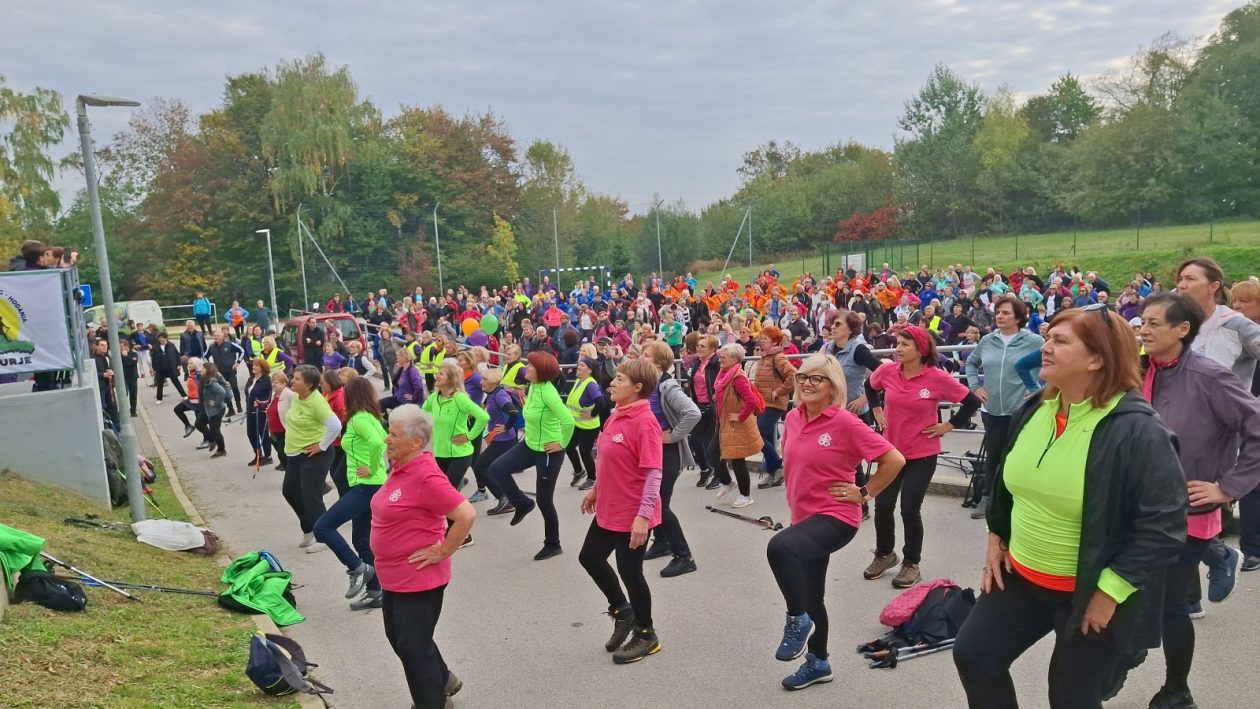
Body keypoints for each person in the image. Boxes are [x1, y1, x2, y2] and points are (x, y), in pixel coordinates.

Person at [952, 305, 1187, 709]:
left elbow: (1163, 526)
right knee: (975, 656)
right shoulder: (1035, 408)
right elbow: (1005, 483)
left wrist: (1109, 594)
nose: (1045, 347)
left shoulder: (1139, 429)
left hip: (1090, 591)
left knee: (1070, 697)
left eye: (1060, 341)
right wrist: (996, 535)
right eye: (1047, 337)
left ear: (1097, 359)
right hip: (1021, 577)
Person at [1133, 293, 1260, 708]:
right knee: (1130, 591)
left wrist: (1228, 487)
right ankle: (1125, 658)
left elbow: (1257, 427)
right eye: (1142, 322)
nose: (1144, 330)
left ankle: (1177, 690)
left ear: (1182, 329)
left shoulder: (1210, 376)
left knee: (1171, 601)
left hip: (1188, 513)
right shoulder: (1137, 370)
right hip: (1137, 508)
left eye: (1154, 323)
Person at [768, 354, 906, 690]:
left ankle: (797, 620)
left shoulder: (845, 422)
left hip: (837, 516)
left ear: (833, 386)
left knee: (780, 548)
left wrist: (865, 492)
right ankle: (819, 662)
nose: (807, 383)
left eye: (817, 378)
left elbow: (894, 459)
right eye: (803, 377)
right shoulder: (793, 417)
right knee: (812, 595)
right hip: (805, 519)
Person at [371, 405, 475, 708]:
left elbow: (466, 515)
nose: (387, 439)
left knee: (413, 646)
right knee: (400, 638)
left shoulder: (426, 475)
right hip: (393, 575)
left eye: (394, 435)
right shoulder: (401, 466)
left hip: (418, 578)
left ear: (416, 442)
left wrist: (443, 550)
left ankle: (433, 702)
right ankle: (442, 679)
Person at [866, 326, 981, 588]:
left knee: (909, 509)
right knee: (882, 506)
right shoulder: (887, 370)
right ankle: (884, 554)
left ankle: (911, 563)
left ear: (921, 350)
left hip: (922, 454)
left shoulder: (937, 377)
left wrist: (948, 426)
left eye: (904, 344)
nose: (897, 348)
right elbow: (870, 386)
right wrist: (876, 409)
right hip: (891, 453)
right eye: (897, 343)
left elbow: (972, 402)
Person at [1175, 257, 1260, 603]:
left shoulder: (1235, 325)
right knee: (1174, 503)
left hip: (1220, 432)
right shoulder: (1179, 322)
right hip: (1179, 423)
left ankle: (1217, 559)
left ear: (1213, 286)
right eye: (1180, 279)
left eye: (1190, 279)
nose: (1181, 285)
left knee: (1188, 502)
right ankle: (1190, 592)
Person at [578, 359, 665, 664]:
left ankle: (646, 634)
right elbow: (607, 459)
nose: (612, 383)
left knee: (630, 572)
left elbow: (654, 473)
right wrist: (596, 488)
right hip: (609, 505)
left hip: (633, 511)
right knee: (590, 557)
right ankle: (623, 611)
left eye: (620, 379)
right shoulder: (616, 414)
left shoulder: (645, 422)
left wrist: (643, 517)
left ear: (638, 388)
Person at [488, 351, 575, 561]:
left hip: (548, 451)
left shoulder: (548, 392)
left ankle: (553, 544)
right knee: (497, 468)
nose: (527, 367)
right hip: (529, 444)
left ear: (541, 371)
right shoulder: (533, 386)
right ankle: (522, 503)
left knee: (545, 501)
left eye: (531, 366)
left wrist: (562, 443)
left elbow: (568, 421)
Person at [964, 295, 1045, 518]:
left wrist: (1039, 389)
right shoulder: (988, 340)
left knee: (1020, 457)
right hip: (992, 410)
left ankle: (1018, 501)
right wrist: (974, 386)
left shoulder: (1034, 341)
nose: (999, 316)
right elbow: (971, 363)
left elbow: (1054, 363)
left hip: (1022, 410)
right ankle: (988, 500)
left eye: (1006, 313)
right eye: (998, 312)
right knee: (994, 457)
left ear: (1018, 317)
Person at [313, 377, 389, 611]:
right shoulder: (371, 416)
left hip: (366, 485)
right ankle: (376, 591)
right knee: (361, 539)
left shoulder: (358, 419)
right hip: (370, 484)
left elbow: (378, 443)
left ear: (351, 396)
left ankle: (357, 568)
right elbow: (383, 439)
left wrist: (372, 467)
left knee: (322, 527)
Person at [639, 341, 701, 577]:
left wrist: (673, 436)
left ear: (659, 363)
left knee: (659, 504)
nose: (641, 358)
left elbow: (693, 413)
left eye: (646, 355)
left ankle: (684, 557)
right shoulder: (649, 384)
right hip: (653, 451)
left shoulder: (667, 385)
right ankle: (662, 541)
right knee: (656, 500)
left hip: (667, 453)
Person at [422, 360, 490, 547]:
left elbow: (483, 416)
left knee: (446, 494)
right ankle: (454, 531)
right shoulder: (434, 398)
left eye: (441, 374)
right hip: (440, 453)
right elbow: (421, 414)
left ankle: (462, 535)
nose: (437, 376)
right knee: (441, 493)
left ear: (451, 378)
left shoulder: (460, 398)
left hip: (460, 454)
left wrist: (468, 436)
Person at [282, 365, 343, 555]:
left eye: (297, 379)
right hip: (295, 453)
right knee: (290, 492)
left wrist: (322, 446)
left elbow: (335, 425)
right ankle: (308, 528)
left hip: (315, 455)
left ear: (308, 385)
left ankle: (324, 537)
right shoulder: (297, 397)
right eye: (293, 377)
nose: (292, 381)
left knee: (310, 496)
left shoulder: (317, 402)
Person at [710, 344, 764, 508]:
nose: (720, 359)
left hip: (735, 425)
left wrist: (740, 416)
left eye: (723, 357)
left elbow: (751, 400)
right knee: (712, 453)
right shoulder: (724, 375)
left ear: (734, 359)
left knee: (738, 461)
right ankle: (727, 482)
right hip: (724, 423)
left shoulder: (738, 378)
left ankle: (745, 495)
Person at [752, 326, 797, 489]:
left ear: (775, 342)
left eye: (765, 339)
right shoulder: (765, 357)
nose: (761, 341)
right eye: (761, 338)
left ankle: (777, 466)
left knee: (758, 434)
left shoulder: (778, 357)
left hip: (774, 403)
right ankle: (774, 473)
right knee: (766, 436)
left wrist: (778, 391)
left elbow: (794, 375)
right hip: (763, 403)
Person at [473, 365, 520, 515]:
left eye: (484, 379)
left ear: (492, 381)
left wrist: (506, 427)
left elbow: (513, 412)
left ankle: (504, 498)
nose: (481, 382)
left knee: (481, 467)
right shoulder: (491, 393)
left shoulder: (499, 395)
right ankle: (508, 499)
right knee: (496, 469)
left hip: (504, 440)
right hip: (498, 438)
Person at [687, 335, 722, 489]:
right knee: (694, 441)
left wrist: (717, 396)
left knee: (711, 445)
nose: (699, 349)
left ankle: (719, 475)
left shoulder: (717, 363)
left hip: (713, 408)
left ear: (713, 349)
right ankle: (705, 470)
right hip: (699, 407)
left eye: (703, 346)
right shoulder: (697, 363)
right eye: (698, 346)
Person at [566, 358, 604, 491]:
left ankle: (592, 478)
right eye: (579, 365)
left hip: (589, 426)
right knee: (568, 446)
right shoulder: (579, 381)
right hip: (577, 424)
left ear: (590, 370)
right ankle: (578, 471)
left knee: (585, 452)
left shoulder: (591, 384)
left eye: (582, 365)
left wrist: (592, 414)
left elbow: (600, 402)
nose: (579, 367)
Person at [321, 370, 350, 497]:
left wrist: (340, 432)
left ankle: (345, 499)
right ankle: (343, 498)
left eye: (322, 383)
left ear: (330, 383)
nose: (320, 385)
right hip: (331, 441)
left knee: (339, 475)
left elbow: (346, 418)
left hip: (338, 442)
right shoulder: (327, 394)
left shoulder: (339, 397)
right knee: (335, 474)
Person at [244, 358, 273, 467]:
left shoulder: (267, 380)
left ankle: (268, 456)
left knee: (263, 433)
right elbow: (248, 394)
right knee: (251, 433)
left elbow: (270, 396)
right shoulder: (251, 379)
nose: (254, 367)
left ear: (263, 368)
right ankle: (258, 455)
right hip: (250, 411)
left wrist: (262, 403)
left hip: (261, 411)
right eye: (253, 365)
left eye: (256, 366)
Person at [197, 362, 229, 458]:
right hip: (206, 408)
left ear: (208, 370)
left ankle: (221, 450)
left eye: (203, 368)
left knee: (215, 430)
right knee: (198, 424)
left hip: (216, 410)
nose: (201, 370)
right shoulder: (204, 379)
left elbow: (222, 392)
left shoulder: (211, 381)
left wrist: (216, 402)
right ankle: (212, 440)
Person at [381, 347, 425, 414]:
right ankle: (387, 419)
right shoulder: (402, 368)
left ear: (405, 357)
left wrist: (414, 397)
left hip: (406, 403)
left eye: (398, 357)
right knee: (379, 404)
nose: (397, 359)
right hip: (398, 398)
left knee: (381, 404)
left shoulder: (412, 371)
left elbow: (419, 387)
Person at [267, 371, 293, 472]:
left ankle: (290, 472)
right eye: (272, 382)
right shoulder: (274, 394)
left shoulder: (289, 394)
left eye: (276, 382)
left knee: (282, 454)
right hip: (274, 430)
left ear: (284, 384)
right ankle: (289, 470)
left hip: (284, 430)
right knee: (280, 452)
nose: (273, 384)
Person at [151, 332, 186, 402]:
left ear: (166, 338)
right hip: (160, 368)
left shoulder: (171, 345)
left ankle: (184, 395)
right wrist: (154, 369)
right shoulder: (156, 347)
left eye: (162, 338)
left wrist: (179, 364)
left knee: (176, 382)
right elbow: (153, 359)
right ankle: (159, 399)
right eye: (160, 338)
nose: (161, 340)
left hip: (170, 367)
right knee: (160, 384)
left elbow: (177, 355)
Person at [173, 357, 202, 438]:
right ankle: (188, 426)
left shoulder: (198, 375)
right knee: (177, 409)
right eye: (188, 363)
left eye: (191, 363)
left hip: (198, 402)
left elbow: (207, 386)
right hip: (191, 400)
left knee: (200, 424)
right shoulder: (192, 373)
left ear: (196, 364)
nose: (188, 365)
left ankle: (208, 438)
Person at [118, 338, 139, 418]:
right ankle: (122, 410)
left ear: (126, 346)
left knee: (133, 394)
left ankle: (133, 410)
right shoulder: (119, 355)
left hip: (132, 376)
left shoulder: (133, 353)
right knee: (124, 394)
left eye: (121, 347)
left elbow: (134, 361)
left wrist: (127, 356)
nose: (120, 349)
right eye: (120, 347)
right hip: (123, 377)